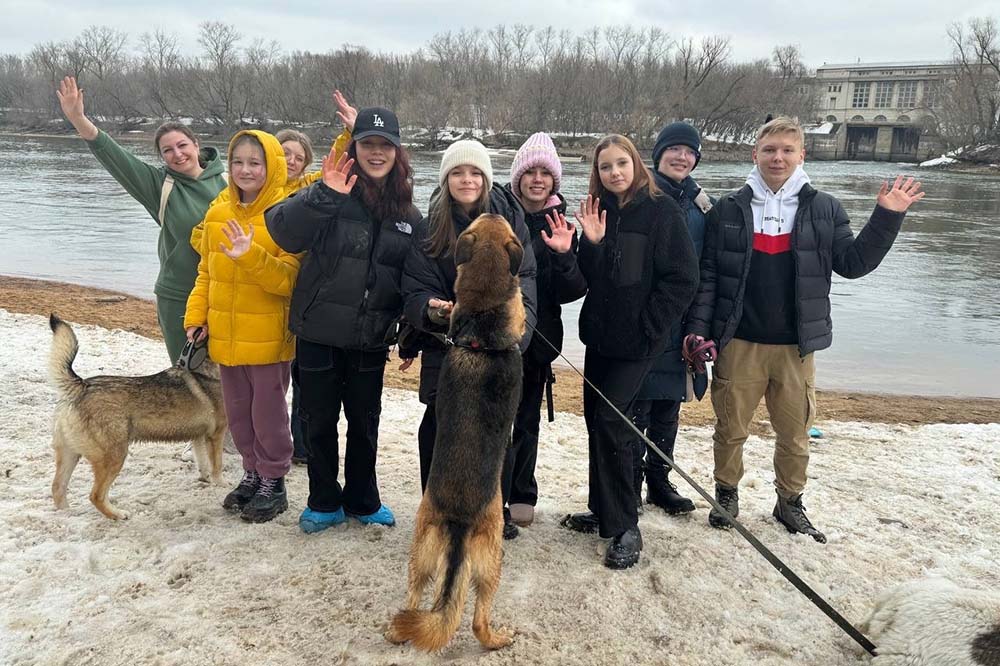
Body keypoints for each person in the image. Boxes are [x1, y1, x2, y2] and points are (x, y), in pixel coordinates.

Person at [684, 116, 925, 543]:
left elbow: (852, 264)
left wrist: (887, 218)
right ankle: (727, 495)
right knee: (731, 429)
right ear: (754, 154)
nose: (778, 158)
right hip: (738, 341)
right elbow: (709, 278)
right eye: (770, 150)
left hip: (797, 346)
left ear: (801, 155)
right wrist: (700, 332)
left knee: (795, 433)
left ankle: (789, 502)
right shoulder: (728, 208)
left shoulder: (825, 208)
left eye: (787, 150)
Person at [266, 107, 421, 532]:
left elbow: (415, 280)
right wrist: (324, 194)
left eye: (384, 145)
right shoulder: (328, 191)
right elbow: (281, 229)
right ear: (354, 147)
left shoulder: (408, 214)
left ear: (397, 152)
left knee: (365, 423)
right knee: (317, 421)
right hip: (318, 331)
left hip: (371, 338)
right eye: (368, 144)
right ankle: (322, 501)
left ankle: (363, 500)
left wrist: (409, 336)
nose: (376, 153)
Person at [560, 134, 699, 570]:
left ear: (637, 165)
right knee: (594, 423)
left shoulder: (661, 211)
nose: (614, 172)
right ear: (597, 173)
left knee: (614, 424)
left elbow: (682, 279)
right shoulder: (597, 211)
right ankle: (603, 508)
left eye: (622, 163)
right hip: (599, 340)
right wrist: (593, 244)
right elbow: (588, 281)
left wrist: (650, 327)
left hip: (638, 344)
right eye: (605, 167)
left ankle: (625, 526)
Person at [56, 76, 226, 364]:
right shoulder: (160, 186)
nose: (178, 154)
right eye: (167, 150)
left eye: (182, 145)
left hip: (227, 293)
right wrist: (79, 119)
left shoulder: (229, 181)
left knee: (230, 380)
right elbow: (114, 156)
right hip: (180, 297)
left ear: (197, 145)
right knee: (188, 381)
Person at [402, 139, 538, 493]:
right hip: (445, 348)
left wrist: (516, 336)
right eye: (458, 173)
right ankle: (434, 505)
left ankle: (495, 510)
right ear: (446, 179)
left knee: (495, 432)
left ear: (486, 178)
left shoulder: (511, 222)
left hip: (499, 351)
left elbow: (527, 282)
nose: (467, 180)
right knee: (438, 424)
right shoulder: (430, 226)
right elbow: (415, 288)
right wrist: (430, 311)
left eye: (476, 172)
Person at [183, 130, 299, 523]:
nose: (246, 170)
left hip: (268, 338)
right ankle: (251, 473)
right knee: (237, 412)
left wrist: (250, 256)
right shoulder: (218, 214)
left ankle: (274, 480)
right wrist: (196, 317)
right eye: (238, 162)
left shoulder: (286, 215)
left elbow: (289, 281)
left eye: (255, 162)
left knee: (268, 413)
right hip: (226, 337)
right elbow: (205, 274)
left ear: (272, 166)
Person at [500, 133, 587, 539]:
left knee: (527, 419)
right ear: (518, 178)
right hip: (499, 334)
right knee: (495, 419)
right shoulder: (497, 213)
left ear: (554, 181)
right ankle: (492, 494)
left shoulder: (563, 223)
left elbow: (573, 290)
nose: (537, 180)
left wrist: (565, 255)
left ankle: (523, 492)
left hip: (541, 338)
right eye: (529, 172)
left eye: (545, 174)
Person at [631, 122, 713, 516]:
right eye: (674, 149)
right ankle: (628, 486)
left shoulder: (702, 207)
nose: (682, 157)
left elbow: (706, 270)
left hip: (682, 326)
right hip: (646, 321)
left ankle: (659, 482)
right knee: (638, 409)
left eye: (689, 151)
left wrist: (699, 325)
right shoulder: (639, 195)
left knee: (669, 409)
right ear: (658, 154)